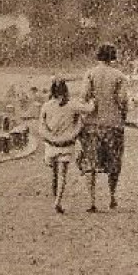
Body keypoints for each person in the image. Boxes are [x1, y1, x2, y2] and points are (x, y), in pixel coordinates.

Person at [78, 43, 131, 212]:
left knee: (90, 163)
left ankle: (91, 201)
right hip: (113, 123)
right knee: (114, 161)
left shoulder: (90, 74)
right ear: (113, 57)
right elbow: (122, 100)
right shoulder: (120, 76)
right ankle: (112, 196)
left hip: (92, 124)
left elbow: (84, 96)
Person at [37, 79, 92, 214]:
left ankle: (54, 195)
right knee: (63, 174)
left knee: (54, 172)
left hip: (51, 145)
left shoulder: (46, 106)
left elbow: (41, 127)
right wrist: (92, 101)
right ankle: (58, 201)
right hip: (66, 144)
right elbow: (90, 109)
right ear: (66, 91)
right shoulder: (72, 105)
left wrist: (50, 137)